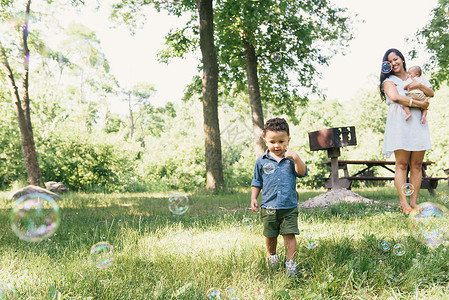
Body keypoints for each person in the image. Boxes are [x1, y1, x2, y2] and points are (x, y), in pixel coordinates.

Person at [250, 118, 308, 276]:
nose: (277, 145)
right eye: (272, 141)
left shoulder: (291, 159)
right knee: (270, 235)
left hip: (289, 206)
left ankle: (290, 263)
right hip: (269, 207)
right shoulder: (261, 161)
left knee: (289, 235)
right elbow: (257, 181)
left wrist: (296, 157)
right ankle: (272, 257)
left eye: (281, 141)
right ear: (265, 141)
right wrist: (254, 198)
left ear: (288, 140)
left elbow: (302, 172)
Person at [379, 48, 433, 214]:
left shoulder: (416, 78)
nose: (394, 63)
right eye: (390, 61)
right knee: (402, 164)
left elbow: (431, 93)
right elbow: (396, 98)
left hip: (418, 123)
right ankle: (404, 204)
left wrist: (418, 85)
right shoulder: (389, 81)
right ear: (386, 65)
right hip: (400, 123)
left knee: (416, 164)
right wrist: (420, 104)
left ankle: (414, 203)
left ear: (402, 59)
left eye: (396, 59)